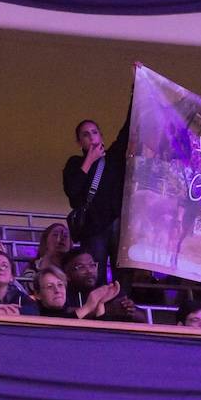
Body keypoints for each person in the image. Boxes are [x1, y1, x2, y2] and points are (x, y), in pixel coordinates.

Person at [63, 114, 130, 286]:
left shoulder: (113, 159)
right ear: (79, 142)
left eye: (94, 132)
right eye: (85, 134)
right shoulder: (74, 163)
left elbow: (127, 131)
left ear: (101, 136)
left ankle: (122, 301)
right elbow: (72, 193)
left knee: (122, 275)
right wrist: (89, 160)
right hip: (92, 228)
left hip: (116, 224)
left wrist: (135, 99)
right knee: (94, 275)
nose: (91, 137)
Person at [61, 248, 139, 320]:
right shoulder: (62, 292)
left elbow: (143, 316)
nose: (89, 271)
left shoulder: (108, 290)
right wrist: (108, 309)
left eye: (92, 265)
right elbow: (65, 314)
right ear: (67, 275)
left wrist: (130, 310)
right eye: (81, 267)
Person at [22, 265, 120, 319]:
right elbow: (61, 327)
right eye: (50, 286)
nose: (57, 290)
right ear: (38, 294)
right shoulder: (34, 316)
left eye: (60, 285)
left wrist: (100, 303)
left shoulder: (70, 313)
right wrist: (88, 307)